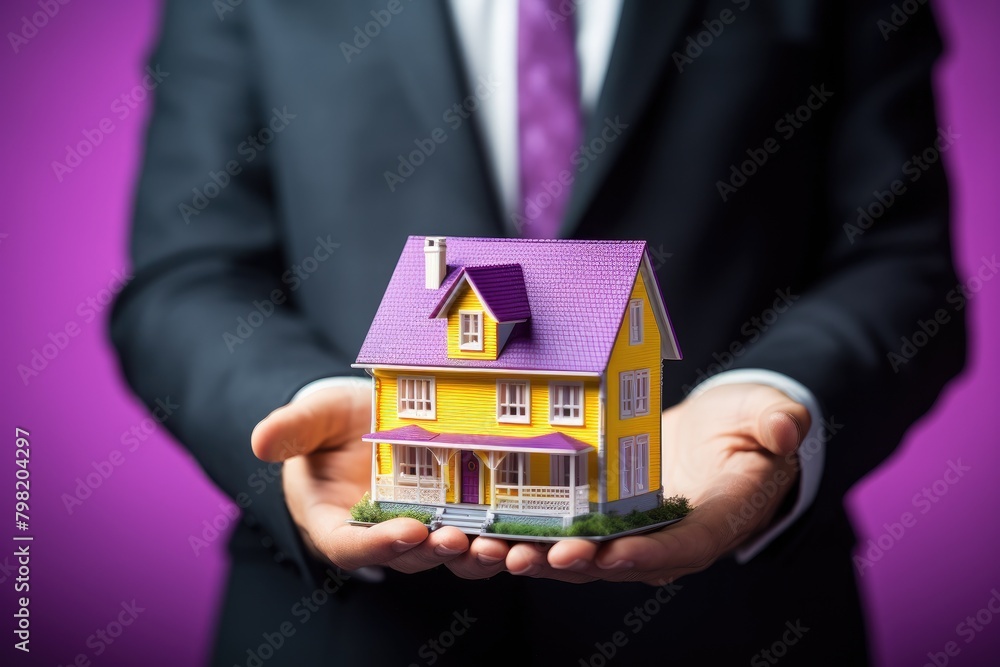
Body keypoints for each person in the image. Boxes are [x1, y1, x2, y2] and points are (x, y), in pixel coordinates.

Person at [111, 0, 964, 664]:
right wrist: (312, 406)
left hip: (732, 624)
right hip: (341, 628)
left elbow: (900, 263)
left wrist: (773, 396)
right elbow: (187, 275)